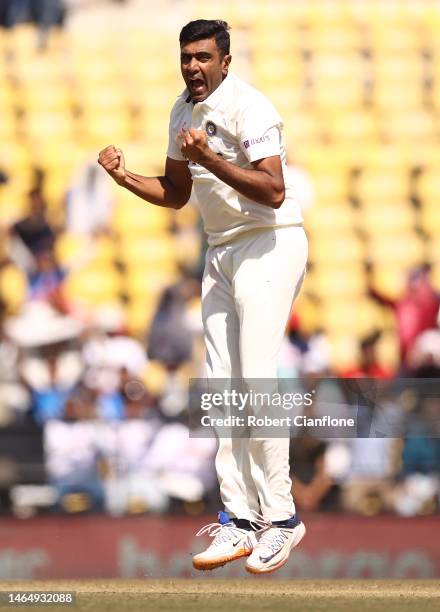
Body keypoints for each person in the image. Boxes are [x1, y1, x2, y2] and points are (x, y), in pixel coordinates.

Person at [98, 19, 307, 575]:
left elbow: (273, 190)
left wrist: (210, 157)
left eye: (203, 57)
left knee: (257, 380)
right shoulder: (180, 113)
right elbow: (174, 192)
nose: (192, 67)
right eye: (186, 57)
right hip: (221, 250)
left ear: (226, 61)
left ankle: (282, 521)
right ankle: (239, 520)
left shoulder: (250, 108)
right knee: (220, 386)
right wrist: (124, 178)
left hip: (271, 241)